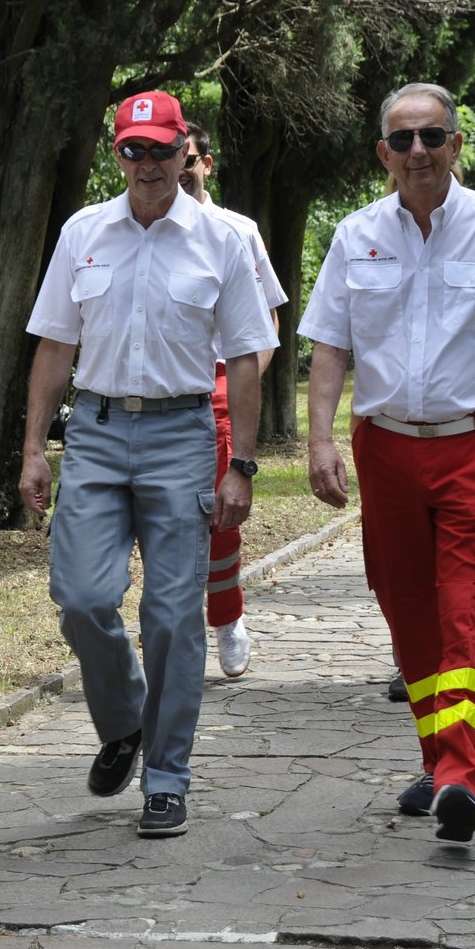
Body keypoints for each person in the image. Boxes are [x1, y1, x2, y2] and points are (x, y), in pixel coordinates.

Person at [300, 82, 475, 843]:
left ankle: (460, 770)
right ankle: (439, 761)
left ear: (457, 145)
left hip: (472, 446)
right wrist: (320, 438)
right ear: (383, 153)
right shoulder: (355, 235)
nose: (417, 151)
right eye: (403, 139)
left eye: (432, 137)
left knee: (467, 601)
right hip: (384, 448)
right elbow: (330, 345)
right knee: (408, 611)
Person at [19, 90, 277, 838]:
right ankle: (127, 718)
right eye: (134, 150)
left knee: (170, 616)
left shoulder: (220, 240)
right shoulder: (82, 232)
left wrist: (245, 466)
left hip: (181, 434)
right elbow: (54, 346)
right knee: (80, 596)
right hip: (96, 431)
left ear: (182, 150)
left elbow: (248, 358)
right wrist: (35, 447)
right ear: (117, 154)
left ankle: (165, 775)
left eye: (163, 150)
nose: (150, 164)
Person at [178, 120, 288, 678]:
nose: (179, 169)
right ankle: (174, 631)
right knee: (163, 521)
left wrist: (242, 381)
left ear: (206, 163)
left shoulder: (238, 230)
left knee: (220, 517)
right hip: (158, 393)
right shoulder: (134, 225)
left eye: (188, 158)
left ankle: (226, 618)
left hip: (220, 383)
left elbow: (267, 319)